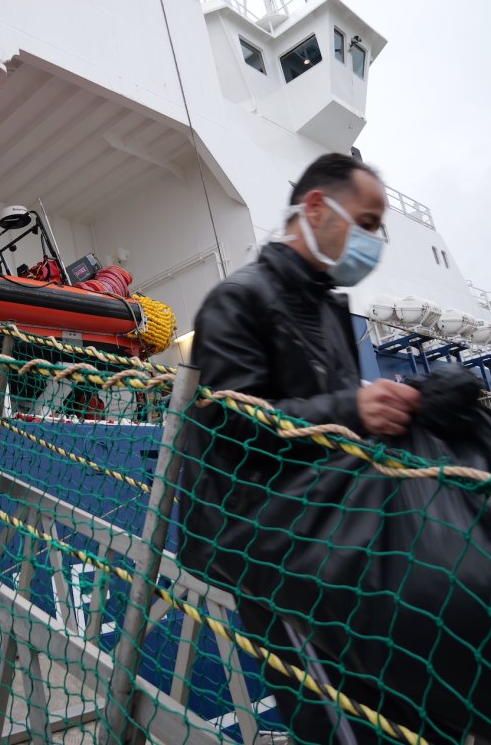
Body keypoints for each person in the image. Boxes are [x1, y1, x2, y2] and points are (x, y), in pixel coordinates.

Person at [178, 153, 421, 743]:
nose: (374, 241)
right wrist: (355, 409)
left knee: (388, 694)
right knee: (337, 716)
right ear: (316, 207)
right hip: (266, 541)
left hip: (328, 527)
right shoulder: (238, 299)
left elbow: (330, 411)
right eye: (367, 222)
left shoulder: (326, 307)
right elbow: (235, 422)